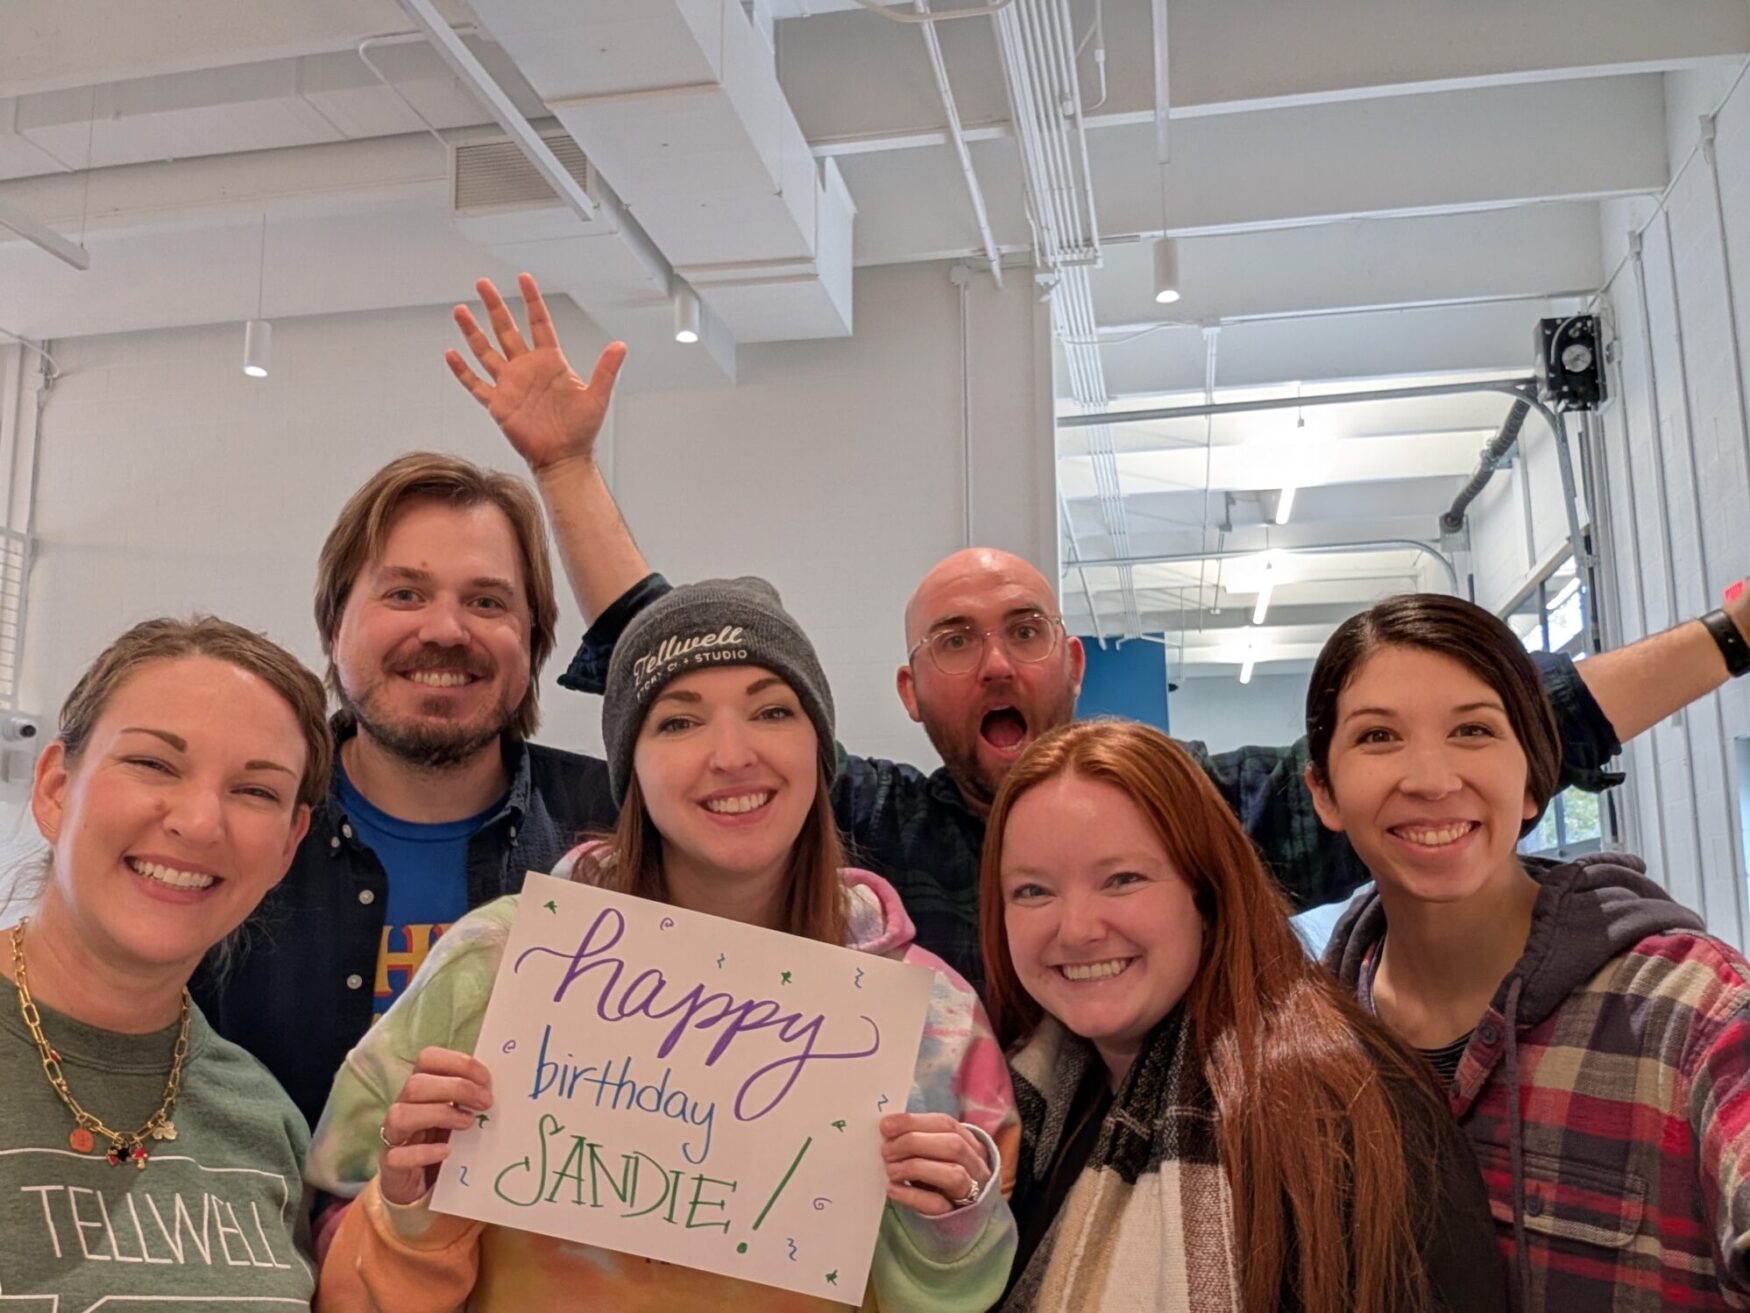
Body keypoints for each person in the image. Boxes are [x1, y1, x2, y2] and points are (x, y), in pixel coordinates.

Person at [445, 271, 1750, 995]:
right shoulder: (863, 828)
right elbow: (671, 658)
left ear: (1070, 665)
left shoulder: (1189, 819)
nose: (995, 660)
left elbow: (1524, 726)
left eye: (1024, 629)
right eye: (956, 641)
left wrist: (1728, 640)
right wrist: (564, 470)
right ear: (909, 689)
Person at [307, 578, 1019, 1312]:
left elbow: (966, 1296)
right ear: (630, 767)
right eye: (679, 721)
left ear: (819, 748)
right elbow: (336, 1260)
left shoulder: (932, 1019)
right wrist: (409, 1210)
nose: (732, 754)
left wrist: (951, 1231)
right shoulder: (495, 966)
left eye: (773, 711)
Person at [1307, 593, 1750, 1311]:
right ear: (1322, 792)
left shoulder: (1693, 1016)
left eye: (1474, 730)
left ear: (1533, 781)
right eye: (1378, 736)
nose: (1431, 779)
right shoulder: (1307, 1049)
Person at [976, 718, 1504, 1312]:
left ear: (1206, 893)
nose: (1076, 930)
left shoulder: (1346, 1112)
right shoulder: (1018, 1111)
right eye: (1032, 891)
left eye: (1123, 879)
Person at [192, 453, 620, 1130]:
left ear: (533, 641)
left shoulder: (622, 827)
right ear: (335, 626)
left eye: (487, 601)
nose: (446, 630)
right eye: (404, 594)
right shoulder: (232, 831)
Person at [0, 617, 331, 1306]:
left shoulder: (264, 1120)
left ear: (288, 844)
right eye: (153, 763)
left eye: (257, 791)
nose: (200, 822)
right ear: (56, 787)